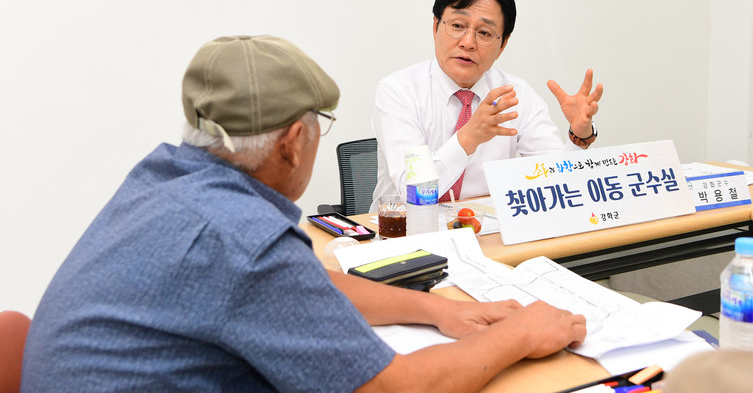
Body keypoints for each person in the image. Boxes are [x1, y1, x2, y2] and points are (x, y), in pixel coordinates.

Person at [21, 35, 586, 393]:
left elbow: (308, 284)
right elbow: (393, 388)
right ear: (294, 142)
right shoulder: (245, 239)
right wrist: (521, 333)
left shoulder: (164, 177)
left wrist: (437, 311)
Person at [372, 0, 603, 207]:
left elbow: (557, 180)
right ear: (435, 27)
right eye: (458, 25)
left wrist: (578, 138)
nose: (468, 42)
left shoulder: (516, 96)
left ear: (502, 45)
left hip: (486, 225)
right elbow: (414, 192)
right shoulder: (398, 92)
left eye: (484, 33)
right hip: (405, 225)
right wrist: (468, 138)